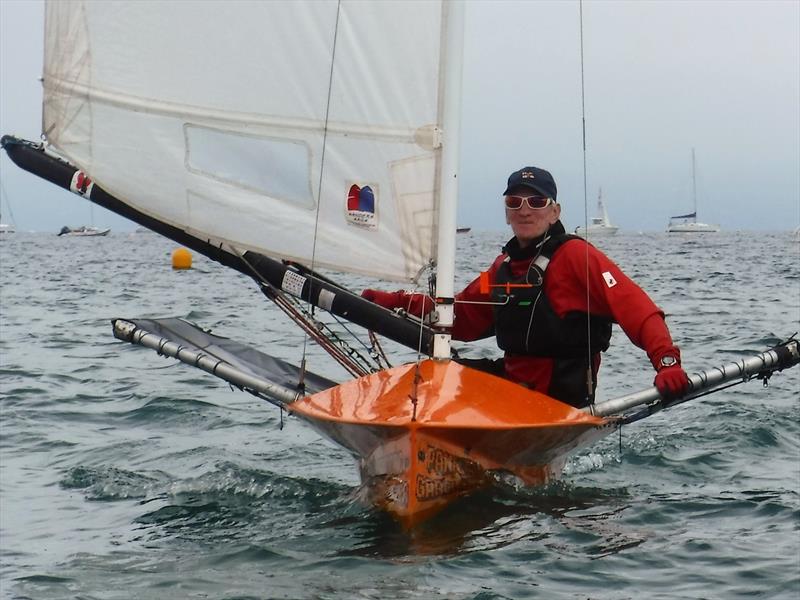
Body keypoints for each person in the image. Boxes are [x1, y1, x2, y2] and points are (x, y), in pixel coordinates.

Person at [362, 166, 690, 408]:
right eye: (514, 202)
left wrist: (666, 362)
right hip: (512, 389)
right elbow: (460, 316)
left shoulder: (576, 257)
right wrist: (396, 301)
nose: (525, 210)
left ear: (554, 211)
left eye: (536, 201)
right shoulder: (503, 267)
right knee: (423, 379)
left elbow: (638, 309)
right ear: (506, 212)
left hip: (558, 401)